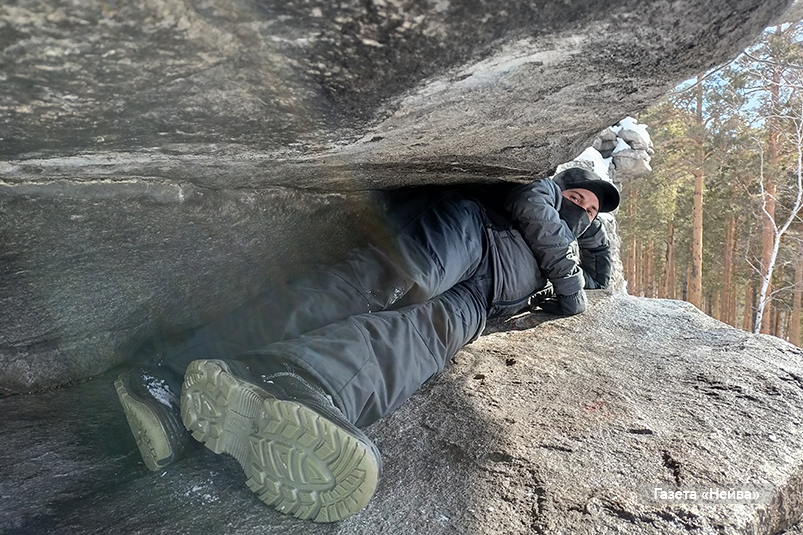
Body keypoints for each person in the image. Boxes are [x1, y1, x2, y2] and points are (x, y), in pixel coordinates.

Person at [114, 167, 619, 523]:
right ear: (566, 187)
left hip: (482, 300)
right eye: (579, 198)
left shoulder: (576, 240)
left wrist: (591, 238)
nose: (582, 209)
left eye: (591, 211)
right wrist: (570, 276)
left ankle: (297, 383)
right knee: (369, 289)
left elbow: (600, 273)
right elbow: (536, 209)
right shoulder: (543, 191)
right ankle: (169, 372)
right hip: (471, 234)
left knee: (415, 345)